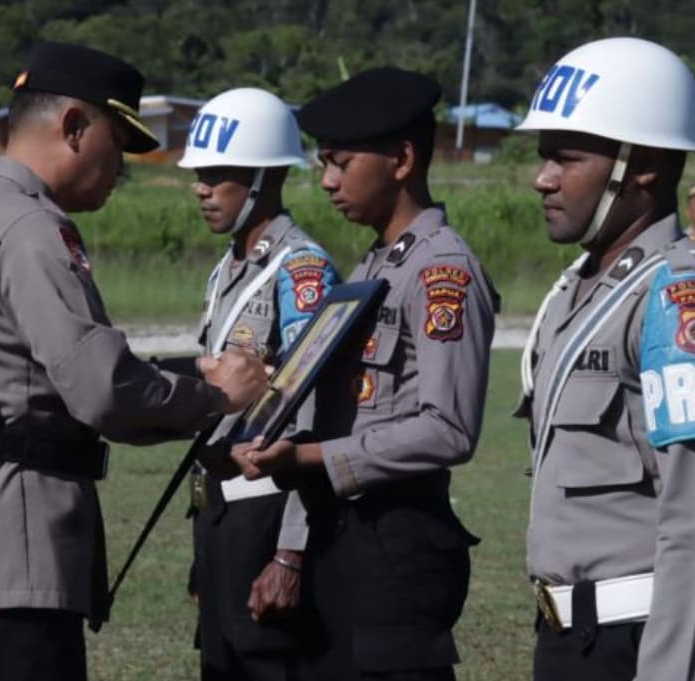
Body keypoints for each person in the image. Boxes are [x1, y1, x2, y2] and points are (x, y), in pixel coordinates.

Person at [0, 41, 268, 681]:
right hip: (8, 555)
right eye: (117, 143)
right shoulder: (34, 230)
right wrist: (218, 396)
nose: (120, 166)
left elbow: (26, 373)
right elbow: (102, 390)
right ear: (73, 127)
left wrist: (182, 372)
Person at [231, 67, 499, 681]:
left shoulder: (442, 271)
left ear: (401, 159)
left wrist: (305, 459)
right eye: (322, 163)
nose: (325, 181)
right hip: (343, 534)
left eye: (340, 162)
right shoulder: (377, 263)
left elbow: (448, 430)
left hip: (396, 541)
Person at [510, 37, 695, 681]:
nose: (543, 178)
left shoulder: (674, 296)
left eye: (566, 157)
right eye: (543, 157)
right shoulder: (581, 286)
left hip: (634, 645)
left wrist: (667, 670)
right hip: (570, 638)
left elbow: (691, 519)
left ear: (641, 164)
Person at [177, 87, 342, 681]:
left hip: (269, 515)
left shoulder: (301, 271)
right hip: (220, 512)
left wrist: (289, 552)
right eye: (199, 173)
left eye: (217, 174)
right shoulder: (229, 268)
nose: (200, 187)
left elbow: (312, 412)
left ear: (262, 177)